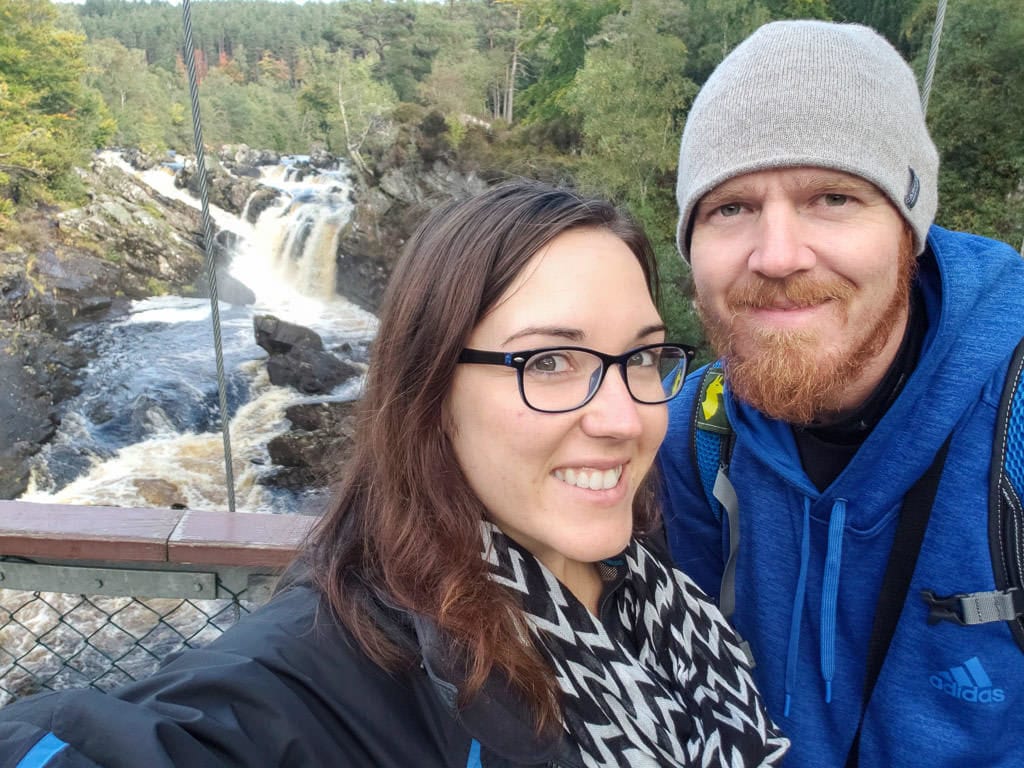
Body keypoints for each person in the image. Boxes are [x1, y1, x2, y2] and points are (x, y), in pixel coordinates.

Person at [1, 180, 788, 768]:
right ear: (432, 389)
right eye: (550, 361)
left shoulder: (656, 586)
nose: (623, 417)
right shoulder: (337, 671)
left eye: (643, 358)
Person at [658, 19, 1024, 768]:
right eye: (730, 207)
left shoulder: (1012, 423)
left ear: (910, 230)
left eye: (832, 197)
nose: (779, 255)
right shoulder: (686, 438)